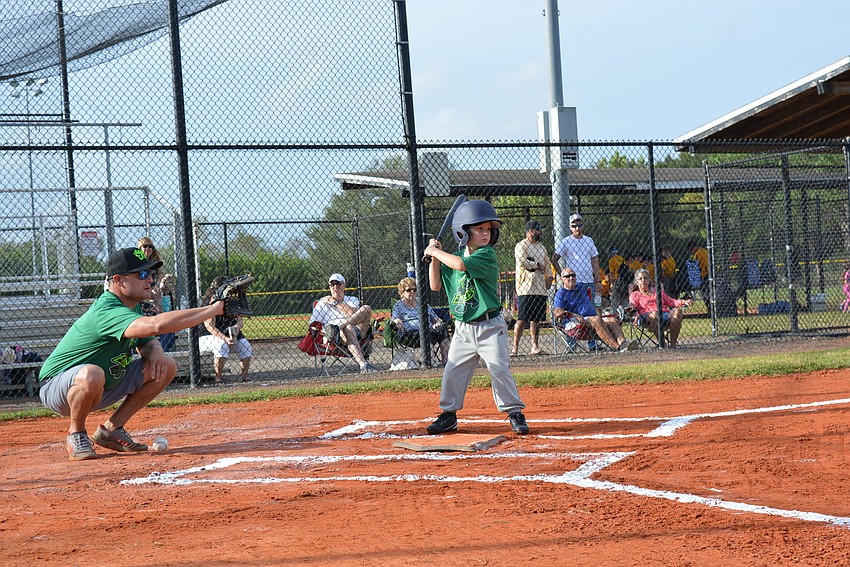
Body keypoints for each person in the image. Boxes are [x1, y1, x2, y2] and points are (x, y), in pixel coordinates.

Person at [37, 247, 231, 461]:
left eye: (150, 273)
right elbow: (157, 325)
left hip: (103, 385)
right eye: (141, 274)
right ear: (118, 280)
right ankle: (77, 433)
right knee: (92, 374)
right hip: (59, 388)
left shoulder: (133, 307)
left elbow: (148, 341)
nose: (149, 279)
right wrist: (213, 309)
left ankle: (112, 430)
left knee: (166, 365)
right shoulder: (107, 309)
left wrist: (155, 349)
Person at [423, 199, 528, 436]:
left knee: (499, 368)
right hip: (462, 329)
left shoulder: (486, 254)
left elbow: (461, 264)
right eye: (479, 229)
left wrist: (435, 251)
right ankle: (448, 415)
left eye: (488, 229)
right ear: (463, 231)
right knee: (453, 371)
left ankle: (514, 412)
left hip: (490, 326)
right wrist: (434, 259)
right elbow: (435, 284)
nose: (485, 234)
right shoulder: (452, 257)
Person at [553, 268, 636, 352]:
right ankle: (617, 347)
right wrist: (574, 315)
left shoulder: (581, 287)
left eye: (573, 275)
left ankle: (623, 343)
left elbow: (596, 301)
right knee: (596, 319)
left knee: (613, 320)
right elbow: (557, 311)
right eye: (567, 276)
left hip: (591, 318)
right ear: (562, 279)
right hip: (574, 321)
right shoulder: (561, 293)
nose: (571, 278)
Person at [308, 273, 377, 374]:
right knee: (348, 328)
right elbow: (313, 324)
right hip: (338, 337)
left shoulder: (352, 300)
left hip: (359, 330)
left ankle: (339, 326)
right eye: (332, 285)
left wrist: (336, 303)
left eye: (338, 284)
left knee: (366, 308)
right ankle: (363, 365)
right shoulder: (322, 302)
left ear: (344, 285)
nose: (335, 287)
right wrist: (326, 333)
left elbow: (353, 314)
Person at [198, 275, 253, 383]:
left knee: (246, 346)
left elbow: (239, 321)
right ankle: (218, 377)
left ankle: (245, 377)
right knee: (221, 345)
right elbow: (210, 327)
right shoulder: (209, 303)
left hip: (229, 333)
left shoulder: (231, 301)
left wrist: (236, 329)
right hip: (208, 336)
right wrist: (225, 338)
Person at [390, 276, 450, 366]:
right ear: (402, 292)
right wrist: (397, 322)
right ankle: (430, 362)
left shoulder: (422, 303)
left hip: (429, 329)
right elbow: (395, 319)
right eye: (409, 290)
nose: (412, 292)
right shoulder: (398, 305)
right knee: (425, 333)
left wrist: (437, 323)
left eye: (414, 290)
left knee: (443, 329)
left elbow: (435, 318)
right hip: (410, 334)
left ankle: (447, 362)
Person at [511, 220, 550, 356]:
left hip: (539, 287)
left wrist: (549, 276)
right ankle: (514, 348)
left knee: (536, 319)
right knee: (522, 318)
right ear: (531, 231)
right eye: (538, 229)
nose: (540, 232)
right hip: (525, 287)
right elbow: (522, 261)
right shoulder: (521, 245)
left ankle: (535, 346)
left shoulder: (541, 247)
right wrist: (537, 265)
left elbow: (547, 263)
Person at [628, 268, 692, 348]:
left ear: (649, 280)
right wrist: (632, 309)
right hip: (646, 317)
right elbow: (632, 305)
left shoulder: (657, 291)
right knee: (655, 314)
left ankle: (673, 345)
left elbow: (671, 302)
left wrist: (683, 301)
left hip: (663, 314)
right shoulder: (635, 295)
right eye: (640, 279)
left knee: (677, 311)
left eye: (645, 278)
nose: (643, 280)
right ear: (637, 282)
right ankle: (663, 344)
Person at [136, 236, 163, 316]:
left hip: (152, 288)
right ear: (140, 248)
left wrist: (157, 286)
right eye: (145, 246)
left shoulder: (154, 261)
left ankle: (158, 312)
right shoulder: (137, 262)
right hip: (141, 288)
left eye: (150, 247)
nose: (148, 248)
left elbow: (159, 275)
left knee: (159, 292)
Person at [689, 241, 711, 313]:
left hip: (704, 275)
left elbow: (698, 265)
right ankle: (711, 310)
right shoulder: (704, 250)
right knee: (707, 293)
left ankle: (710, 310)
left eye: (691, 250)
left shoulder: (698, 253)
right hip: (709, 273)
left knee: (705, 294)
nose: (691, 253)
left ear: (693, 248)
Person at [158, 273, 177, 351]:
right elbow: (161, 288)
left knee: (171, 330)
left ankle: (169, 347)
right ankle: (164, 348)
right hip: (163, 311)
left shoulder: (171, 291)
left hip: (170, 310)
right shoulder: (161, 290)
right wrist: (164, 280)